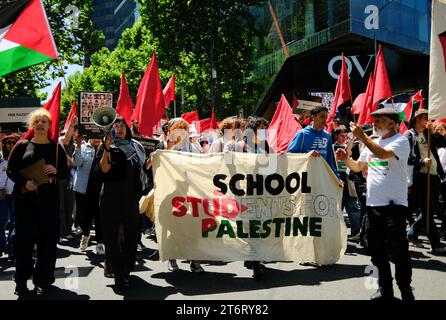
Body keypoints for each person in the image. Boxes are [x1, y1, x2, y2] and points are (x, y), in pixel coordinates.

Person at [336, 108, 414, 300]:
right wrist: (346, 159)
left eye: (380, 120)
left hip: (394, 206)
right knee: (376, 251)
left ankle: (405, 289)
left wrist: (362, 137)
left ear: (393, 124)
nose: (375, 123)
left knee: (398, 250)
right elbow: (358, 166)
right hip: (373, 206)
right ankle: (385, 290)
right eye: (374, 119)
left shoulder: (401, 141)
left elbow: (381, 154)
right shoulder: (372, 142)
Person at [7, 108, 68, 296]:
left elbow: (65, 174)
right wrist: (24, 182)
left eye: (44, 121)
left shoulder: (57, 148)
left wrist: (56, 171)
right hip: (25, 201)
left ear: (49, 125)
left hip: (49, 201)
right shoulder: (22, 145)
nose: (40, 124)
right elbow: (10, 170)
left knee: (47, 243)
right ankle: (21, 280)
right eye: (37, 121)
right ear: (32, 126)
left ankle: (43, 280)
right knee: (23, 243)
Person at [97, 116, 149, 290]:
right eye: (115, 125)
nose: (119, 128)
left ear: (127, 128)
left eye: (121, 125)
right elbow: (104, 168)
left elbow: (143, 169)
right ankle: (118, 274)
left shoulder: (136, 146)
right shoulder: (107, 146)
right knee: (111, 237)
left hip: (131, 198)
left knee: (131, 236)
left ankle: (126, 269)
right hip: (111, 198)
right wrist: (105, 148)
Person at [161, 118, 205, 273]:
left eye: (184, 129)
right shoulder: (165, 147)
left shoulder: (193, 147)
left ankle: (194, 259)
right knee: (173, 226)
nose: (182, 132)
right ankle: (172, 258)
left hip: (189, 193)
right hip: (171, 193)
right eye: (178, 128)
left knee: (192, 226)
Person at [404, 109, 446, 254]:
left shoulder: (428, 134)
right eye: (424, 118)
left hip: (433, 176)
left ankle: (411, 233)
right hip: (421, 177)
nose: (428, 120)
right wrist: (421, 161)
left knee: (427, 209)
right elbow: (406, 157)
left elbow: (444, 142)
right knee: (428, 210)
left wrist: (433, 132)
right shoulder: (409, 135)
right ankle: (435, 244)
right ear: (416, 119)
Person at [242, 116, 271, 280]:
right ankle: (255, 261)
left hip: (262, 190)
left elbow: (271, 162)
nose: (263, 132)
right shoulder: (242, 145)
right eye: (260, 128)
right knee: (250, 224)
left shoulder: (265, 145)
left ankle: (253, 257)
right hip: (246, 190)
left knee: (258, 224)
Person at [73, 135, 104, 255]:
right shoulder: (84, 147)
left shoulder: (106, 148)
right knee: (86, 216)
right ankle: (86, 235)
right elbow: (77, 162)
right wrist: (79, 147)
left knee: (100, 216)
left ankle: (100, 243)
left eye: (99, 137)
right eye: (94, 137)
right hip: (86, 188)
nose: (96, 139)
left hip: (100, 189)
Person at [287, 106, 340, 178]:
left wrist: (337, 177)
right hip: (304, 177)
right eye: (322, 116)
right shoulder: (302, 134)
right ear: (313, 117)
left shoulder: (327, 136)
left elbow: (329, 161)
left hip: (322, 178)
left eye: (326, 117)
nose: (325, 120)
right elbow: (290, 156)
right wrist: (307, 155)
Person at [333, 126, 362, 240]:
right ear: (336, 136)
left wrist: (353, 137)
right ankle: (336, 234)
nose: (344, 138)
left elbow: (347, 152)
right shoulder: (331, 147)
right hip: (336, 182)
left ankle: (355, 233)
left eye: (346, 136)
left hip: (349, 183)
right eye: (342, 136)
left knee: (353, 209)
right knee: (336, 210)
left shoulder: (349, 147)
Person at [0, 135, 19, 258]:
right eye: (8, 143)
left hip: (16, 195)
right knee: (1, 222)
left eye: (13, 142)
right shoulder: (1, 160)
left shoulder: (20, 159)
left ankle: (12, 248)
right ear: (4, 145)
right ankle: (2, 246)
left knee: (15, 222)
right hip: (2, 196)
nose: (11, 145)